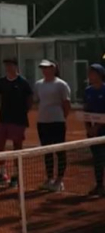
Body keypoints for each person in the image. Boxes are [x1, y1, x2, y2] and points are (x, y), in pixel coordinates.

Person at [0, 57, 33, 187]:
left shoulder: (23, 82)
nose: (8, 67)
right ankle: (1, 173)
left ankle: (16, 175)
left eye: (10, 65)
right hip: (3, 118)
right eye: (6, 65)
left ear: (16, 66)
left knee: (17, 147)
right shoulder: (1, 82)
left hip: (18, 120)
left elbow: (29, 100)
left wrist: (22, 113)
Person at [34, 60, 72, 192]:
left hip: (57, 122)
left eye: (47, 68)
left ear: (54, 69)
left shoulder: (61, 85)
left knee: (60, 151)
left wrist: (61, 118)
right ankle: (49, 178)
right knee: (47, 151)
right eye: (42, 68)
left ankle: (59, 180)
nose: (44, 70)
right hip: (42, 122)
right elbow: (38, 101)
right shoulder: (38, 84)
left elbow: (66, 104)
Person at [83, 64, 105, 197]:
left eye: (92, 73)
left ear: (99, 74)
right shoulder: (88, 91)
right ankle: (99, 185)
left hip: (103, 131)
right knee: (97, 159)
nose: (89, 75)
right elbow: (86, 111)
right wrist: (88, 128)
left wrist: (97, 127)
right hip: (92, 132)